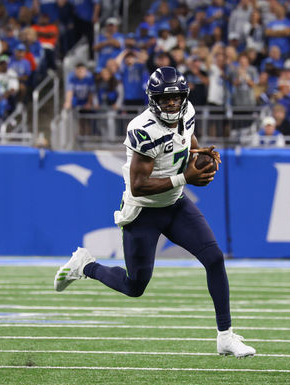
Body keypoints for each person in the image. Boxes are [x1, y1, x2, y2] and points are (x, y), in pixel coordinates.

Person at [53, 66, 255, 358]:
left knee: (214, 257)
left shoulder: (188, 114)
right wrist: (185, 178)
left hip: (174, 203)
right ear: (153, 100)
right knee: (134, 286)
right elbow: (137, 186)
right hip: (143, 212)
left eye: (176, 98)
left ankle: (225, 336)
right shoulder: (142, 128)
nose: (171, 104)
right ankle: (86, 266)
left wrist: (199, 154)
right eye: (164, 99)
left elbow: (186, 141)